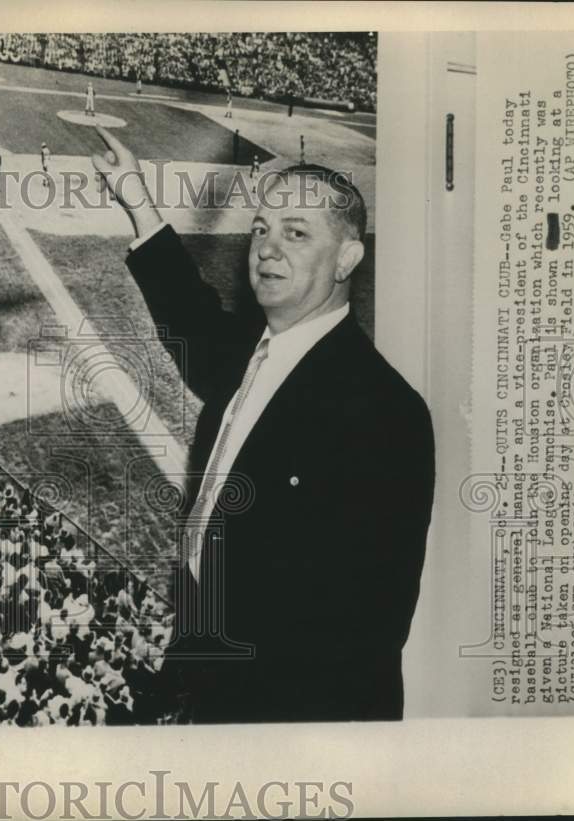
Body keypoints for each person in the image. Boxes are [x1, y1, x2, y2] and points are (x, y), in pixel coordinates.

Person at [90, 126, 435, 724]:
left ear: (348, 258)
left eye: (296, 234)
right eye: (260, 230)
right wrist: (135, 198)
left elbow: (365, 628)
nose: (267, 249)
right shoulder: (257, 349)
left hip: (278, 711)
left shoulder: (385, 413)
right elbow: (190, 316)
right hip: (209, 671)